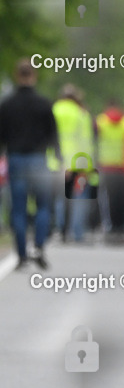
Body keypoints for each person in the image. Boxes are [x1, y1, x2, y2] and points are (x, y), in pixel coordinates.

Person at [0, 59, 59, 269]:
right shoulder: (44, 103)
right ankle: (39, 247)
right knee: (43, 206)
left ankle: (22, 255)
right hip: (39, 159)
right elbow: (53, 134)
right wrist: (58, 157)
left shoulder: (7, 105)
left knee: (18, 209)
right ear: (34, 76)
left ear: (17, 76)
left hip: (16, 158)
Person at [52, 84, 94, 243]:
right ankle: (77, 232)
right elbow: (86, 141)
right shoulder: (81, 113)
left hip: (56, 161)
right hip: (77, 161)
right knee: (79, 197)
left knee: (59, 197)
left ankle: (61, 229)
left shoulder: (54, 110)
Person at [95, 98, 124, 239]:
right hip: (123, 165)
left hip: (106, 165)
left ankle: (110, 225)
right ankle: (122, 225)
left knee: (108, 198)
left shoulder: (101, 121)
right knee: (122, 198)